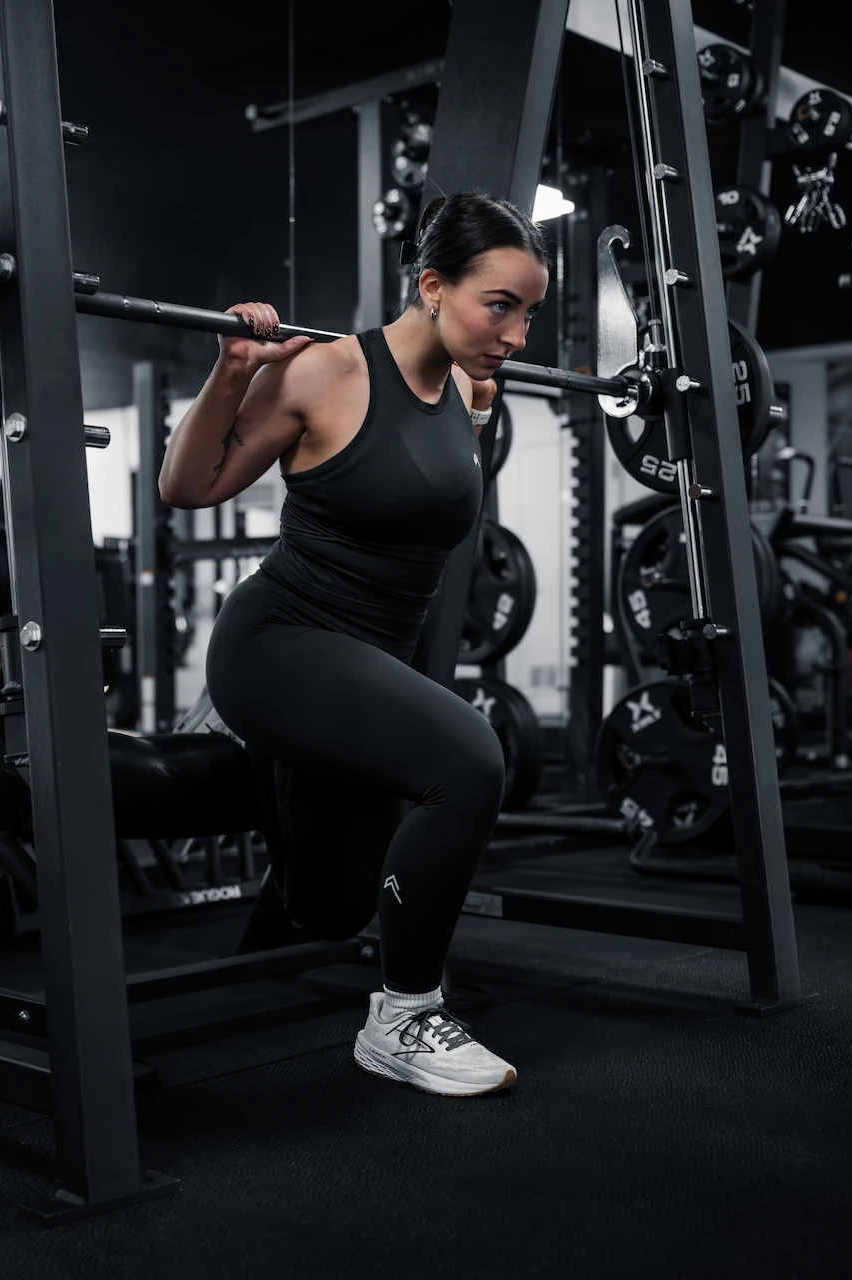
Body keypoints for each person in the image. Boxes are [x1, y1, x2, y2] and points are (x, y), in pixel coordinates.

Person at [159, 193, 550, 1097]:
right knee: (470, 761)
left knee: (331, 909)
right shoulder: (324, 372)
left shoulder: (470, 388)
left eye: (529, 311)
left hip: (366, 666)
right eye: (501, 305)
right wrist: (235, 370)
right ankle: (404, 1015)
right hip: (280, 644)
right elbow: (188, 486)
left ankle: (274, 792)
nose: (519, 335)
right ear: (431, 286)